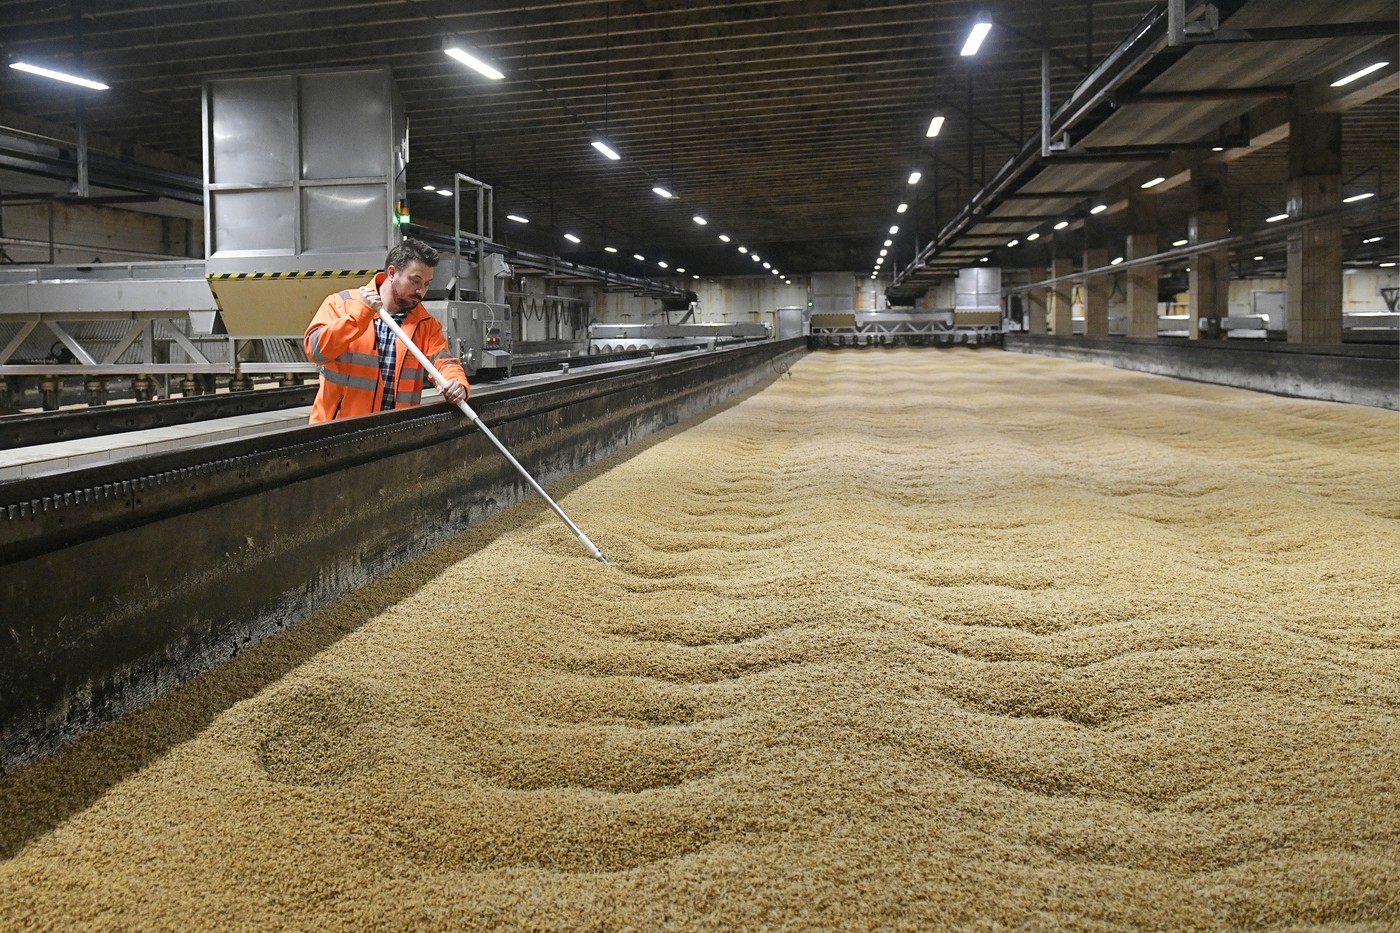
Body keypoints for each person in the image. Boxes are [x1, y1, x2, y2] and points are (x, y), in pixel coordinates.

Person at [303, 238, 469, 423]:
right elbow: (315, 351)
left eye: (427, 284)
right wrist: (360, 315)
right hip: (337, 431)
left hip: (395, 433)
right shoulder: (342, 304)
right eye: (415, 281)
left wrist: (457, 384)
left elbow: (443, 362)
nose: (421, 291)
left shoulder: (426, 325)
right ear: (392, 272)